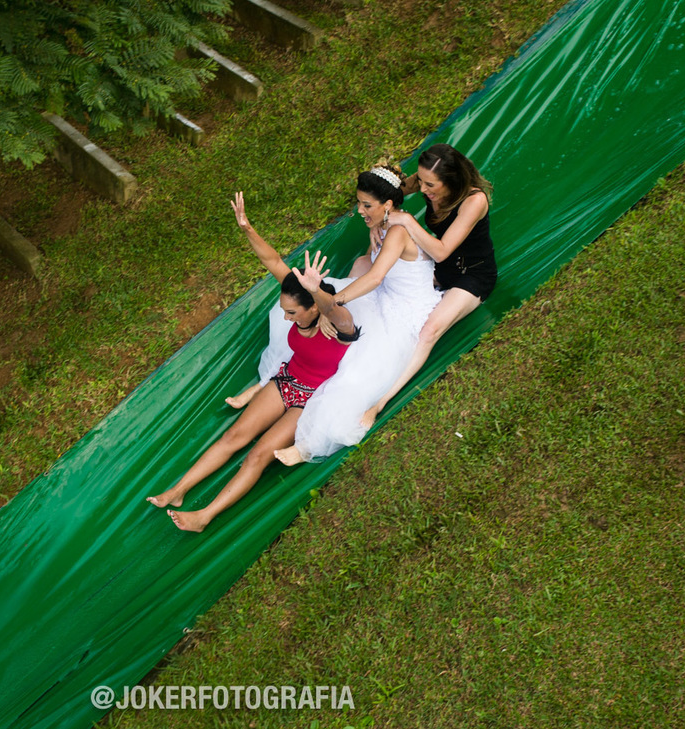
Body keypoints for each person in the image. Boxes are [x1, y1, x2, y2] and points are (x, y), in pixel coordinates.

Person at [146, 193, 359, 532]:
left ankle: (204, 516)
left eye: (292, 312)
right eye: (284, 310)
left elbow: (333, 309)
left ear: (313, 306)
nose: (286, 318)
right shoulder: (298, 302)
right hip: (287, 381)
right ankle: (179, 490)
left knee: (258, 454)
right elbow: (273, 260)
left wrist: (318, 292)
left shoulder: (338, 326)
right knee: (234, 436)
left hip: (310, 399)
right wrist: (246, 227)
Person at [250, 165, 443, 464]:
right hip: (382, 296)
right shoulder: (382, 223)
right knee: (317, 323)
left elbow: (376, 277)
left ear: (387, 205)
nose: (359, 211)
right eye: (359, 203)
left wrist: (332, 303)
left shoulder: (398, 231)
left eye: (366, 205)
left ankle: (310, 441)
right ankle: (275, 380)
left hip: (404, 309)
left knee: (356, 361)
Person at [359, 143, 496, 428]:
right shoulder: (425, 183)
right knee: (380, 276)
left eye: (430, 185)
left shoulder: (474, 201)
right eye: (420, 181)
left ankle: (380, 402)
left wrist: (408, 221)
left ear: (451, 180)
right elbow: (387, 195)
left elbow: (442, 251)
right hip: (440, 269)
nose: (422, 189)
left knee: (429, 331)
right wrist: (376, 222)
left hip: (471, 275)